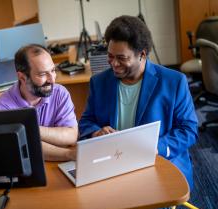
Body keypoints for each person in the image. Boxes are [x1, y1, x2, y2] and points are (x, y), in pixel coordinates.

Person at [79, 15, 198, 192]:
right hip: (112, 163)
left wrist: (157, 147)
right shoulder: (99, 82)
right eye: (110, 56)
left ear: (142, 54)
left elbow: (188, 129)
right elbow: (86, 122)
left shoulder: (174, 82)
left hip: (159, 163)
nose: (114, 64)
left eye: (121, 58)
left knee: (153, 206)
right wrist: (96, 132)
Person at [0, 44, 78, 161]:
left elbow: (71, 136)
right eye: (42, 74)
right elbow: (22, 149)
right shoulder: (1, 108)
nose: (52, 79)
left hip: (57, 163)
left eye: (52, 70)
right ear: (22, 77)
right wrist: (68, 154)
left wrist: (29, 129)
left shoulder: (60, 93)